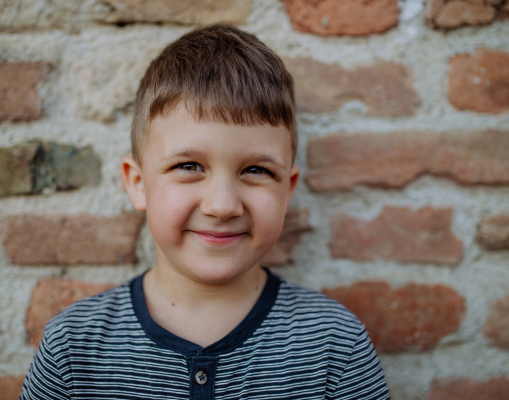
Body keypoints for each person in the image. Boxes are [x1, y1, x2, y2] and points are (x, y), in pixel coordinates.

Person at [20, 24, 390, 400]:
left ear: (287, 190)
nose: (222, 205)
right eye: (189, 166)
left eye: (256, 170)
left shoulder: (335, 346)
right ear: (137, 183)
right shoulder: (73, 349)